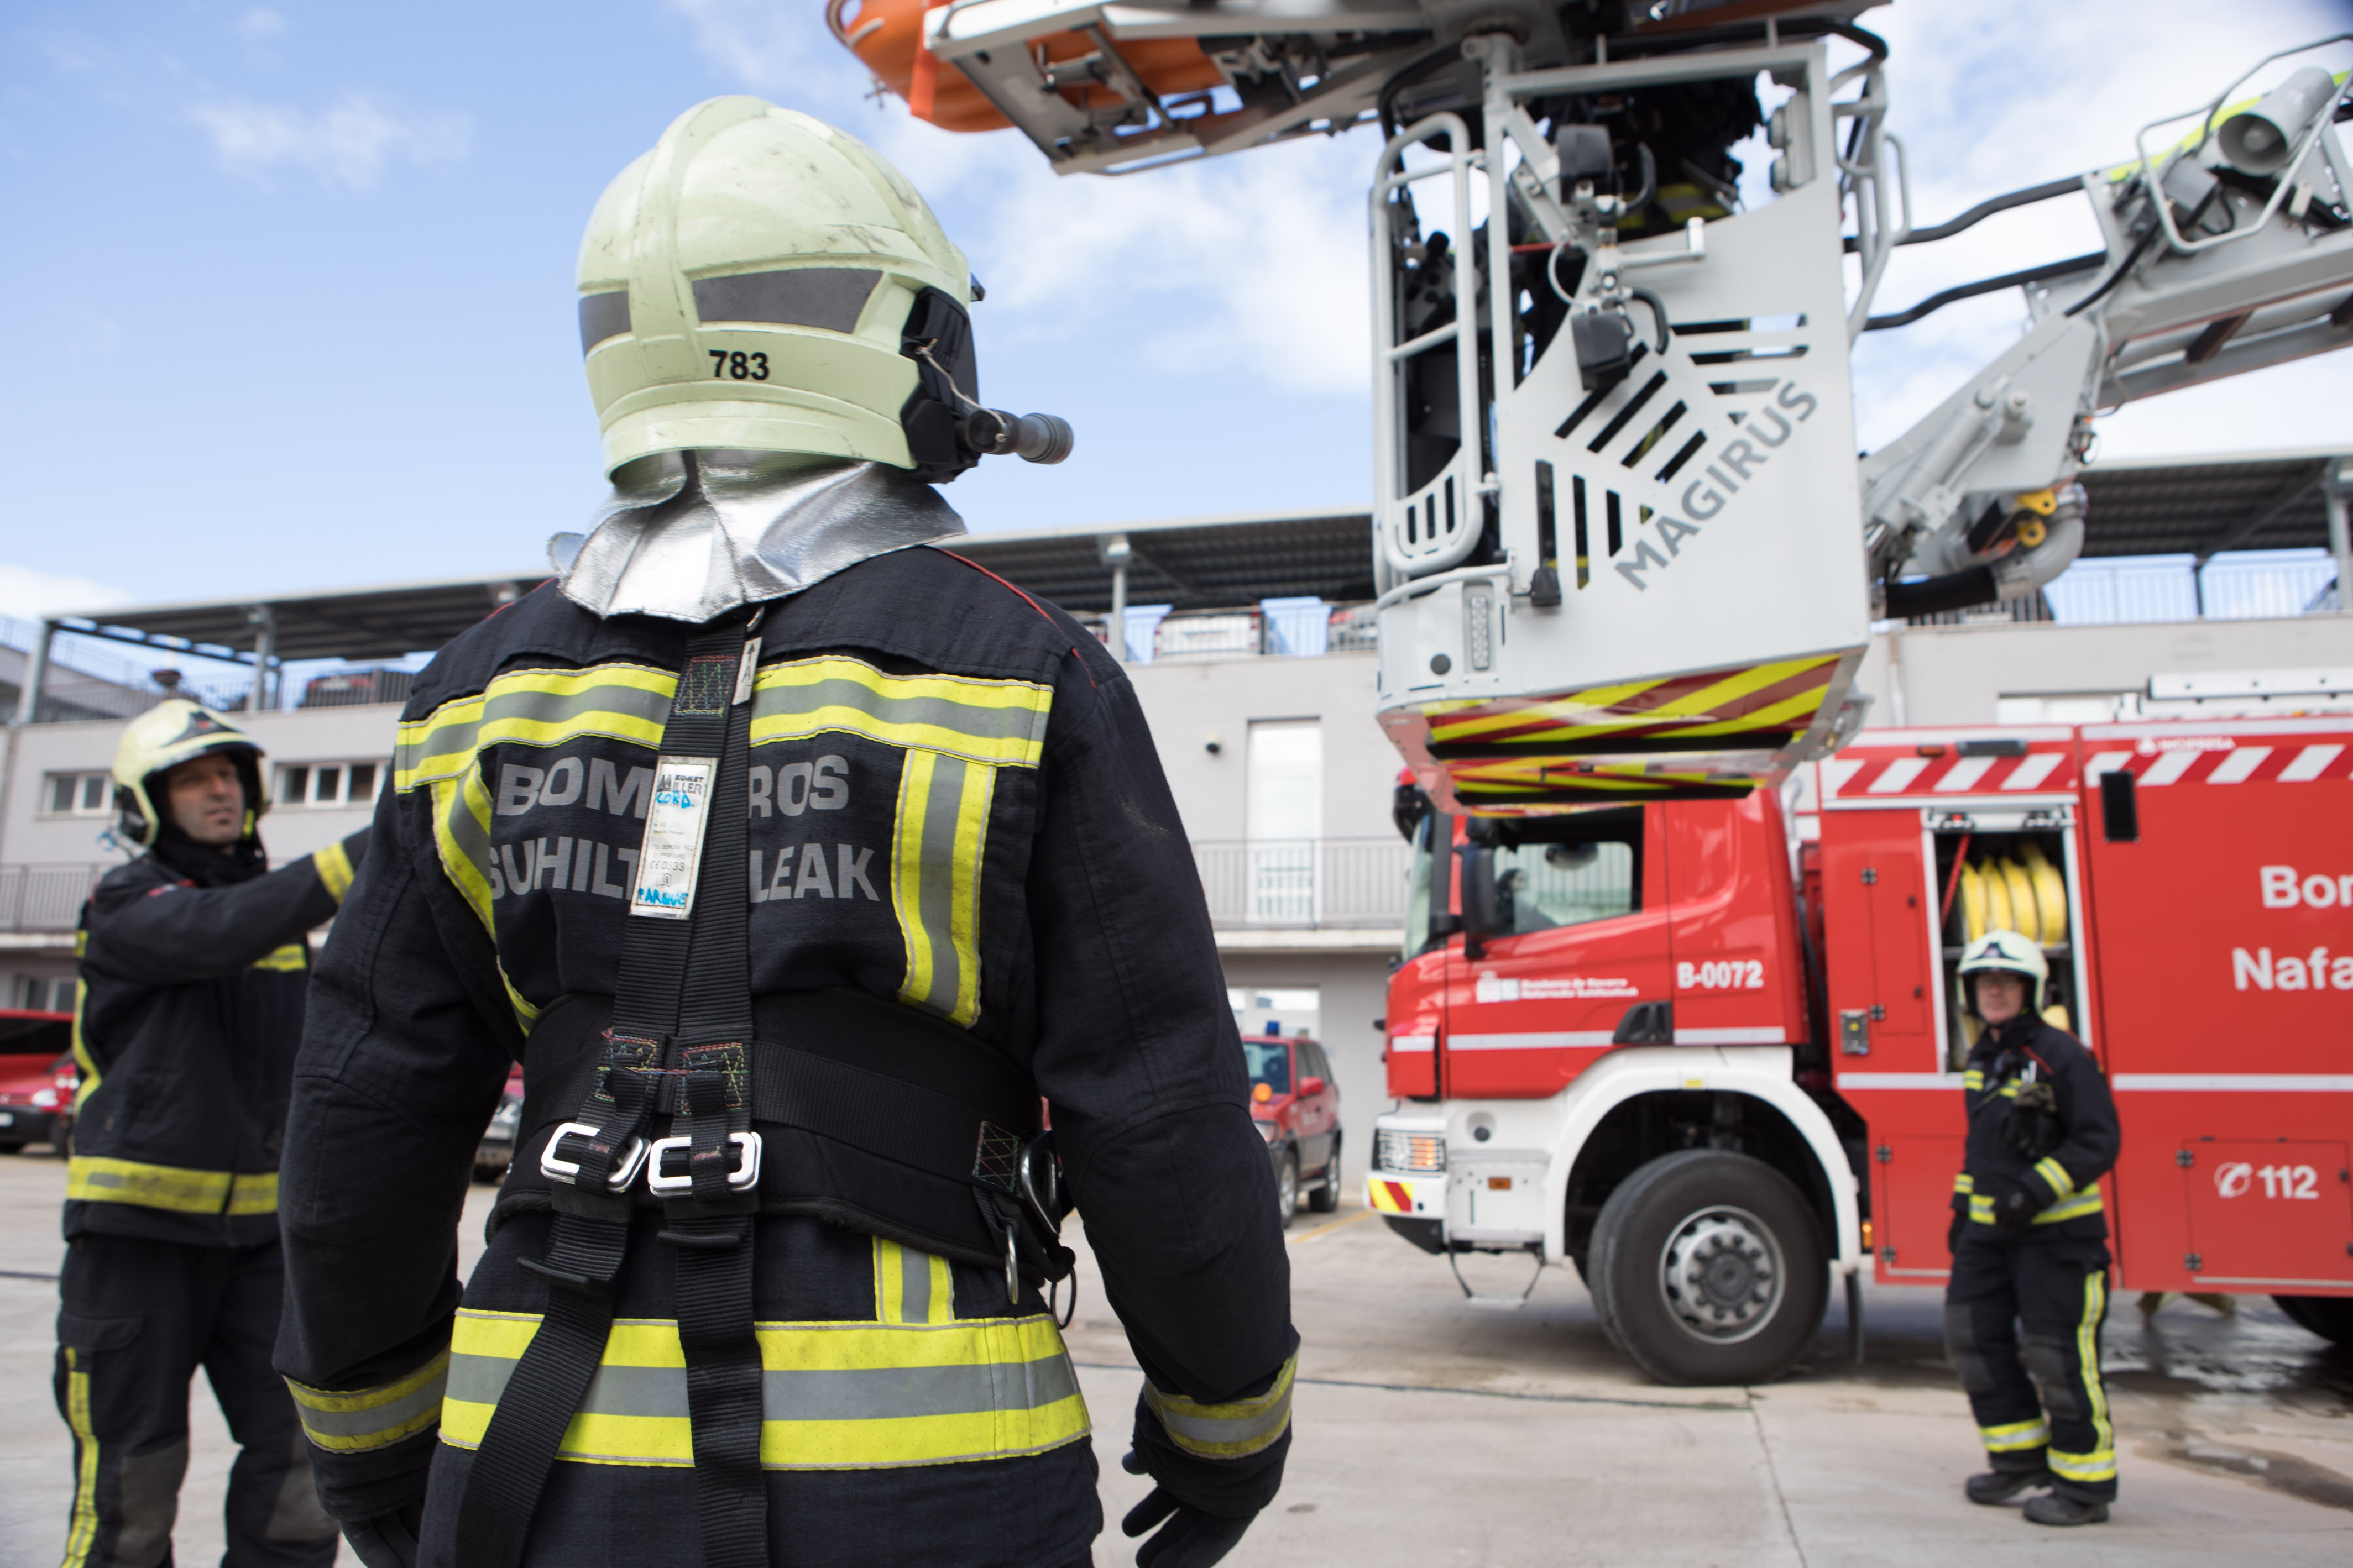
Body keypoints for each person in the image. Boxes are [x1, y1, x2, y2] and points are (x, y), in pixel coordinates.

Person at [272, 98, 1294, 1568]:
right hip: (935, 1493)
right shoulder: (1019, 667)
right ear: (897, 341)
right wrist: (1225, 1422)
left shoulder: (478, 694)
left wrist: (370, 1442)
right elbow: (1159, 1101)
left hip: (528, 1482)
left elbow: (363, 1109)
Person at [58, 699, 368, 1567]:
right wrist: (361, 854)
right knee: (133, 1480)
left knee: (306, 1463)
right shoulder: (129, 901)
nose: (220, 789)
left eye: (229, 773)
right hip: (136, 1240)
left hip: (264, 1248)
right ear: (148, 802)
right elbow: (211, 933)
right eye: (194, 778)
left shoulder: (272, 924)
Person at [1943, 929, 2120, 1527]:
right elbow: (1981, 1148)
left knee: (2057, 1355)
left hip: (2056, 1240)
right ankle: (2017, 1455)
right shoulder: (1983, 1057)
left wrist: (2036, 1187)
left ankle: (2083, 1485)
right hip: (1988, 1236)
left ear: (2031, 989)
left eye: (2007, 981)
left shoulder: (2063, 1054)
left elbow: (2099, 1140)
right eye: (1984, 982)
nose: (1994, 991)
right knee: (1973, 1337)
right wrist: (1962, 1209)